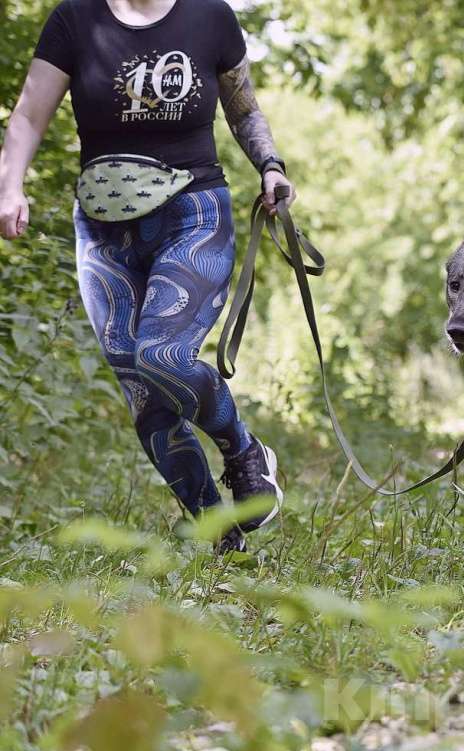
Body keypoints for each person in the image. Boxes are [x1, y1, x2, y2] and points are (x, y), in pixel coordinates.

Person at [0, 0, 293, 553]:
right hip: (103, 228)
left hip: (194, 214)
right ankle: (220, 539)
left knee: (161, 357)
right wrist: (10, 185)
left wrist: (271, 166)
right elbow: (28, 115)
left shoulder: (210, 16)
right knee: (142, 390)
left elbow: (243, 108)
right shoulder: (74, 19)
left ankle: (245, 453)